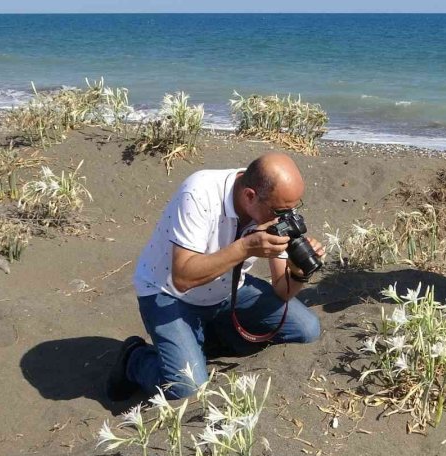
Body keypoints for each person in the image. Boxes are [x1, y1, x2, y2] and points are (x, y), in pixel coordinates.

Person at [107, 152, 324, 401]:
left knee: (307, 328)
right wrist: (245, 247)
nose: (286, 218)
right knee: (188, 388)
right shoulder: (199, 194)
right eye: (281, 211)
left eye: (294, 208)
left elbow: (283, 290)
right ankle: (135, 359)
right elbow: (182, 277)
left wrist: (297, 272)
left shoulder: (272, 205)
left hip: (227, 289)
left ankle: (201, 339)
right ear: (250, 196)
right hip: (168, 293)